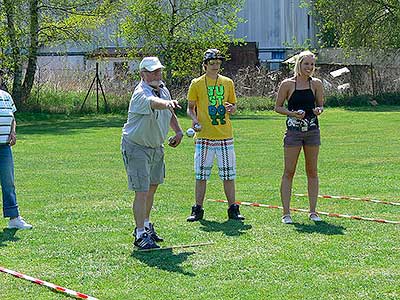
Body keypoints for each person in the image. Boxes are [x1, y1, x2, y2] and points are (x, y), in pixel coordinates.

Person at [121, 57, 183, 250]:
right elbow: (154, 103)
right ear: (143, 74)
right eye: (152, 71)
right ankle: (139, 234)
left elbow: (169, 113)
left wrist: (178, 131)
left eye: (159, 71)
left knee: (152, 188)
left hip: (156, 146)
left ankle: (146, 225)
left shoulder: (163, 90)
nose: (157, 74)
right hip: (136, 146)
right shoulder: (140, 93)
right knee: (141, 190)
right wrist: (166, 104)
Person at [186, 48, 244, 222]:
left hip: (225, 136)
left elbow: (233, 106)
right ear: (205, 65)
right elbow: (190, 108)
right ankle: (197, 209)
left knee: (228, 174)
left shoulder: (227, 82)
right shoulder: (196, 83)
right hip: (204, 137)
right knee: (201, 175)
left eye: (218, 63)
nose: (215, 67)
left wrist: (231, 109)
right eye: (212, 64)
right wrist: (195, 121)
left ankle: (233, 209)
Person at [275, 50, 324, 224]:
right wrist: (292, 114)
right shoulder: (287, 84)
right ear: (299, 64)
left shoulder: (316, 84)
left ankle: (313, 212)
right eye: (306, 64)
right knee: (289, 172)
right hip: (293, 133)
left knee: (312, 171)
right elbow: (278, 107)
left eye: (312, 64)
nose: (309, 67)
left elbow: (320, 106)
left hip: (312, 132)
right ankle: (286, 213)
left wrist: (319, 110)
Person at [0, 72, 32, 230]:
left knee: (8, 183)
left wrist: (13, 132)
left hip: (4, 147)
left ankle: (14, 218)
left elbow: (12, 117)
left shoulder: (6, 96)